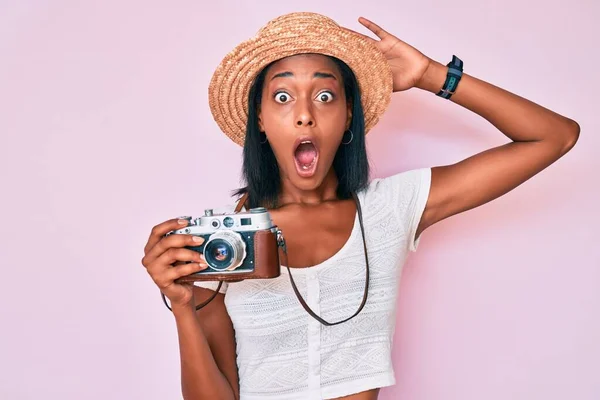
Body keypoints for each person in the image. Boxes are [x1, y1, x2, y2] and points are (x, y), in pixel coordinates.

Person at [140, 12, 579, 400]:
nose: (305, 114)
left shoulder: (391, 209)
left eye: (326, 96)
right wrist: (181, 306)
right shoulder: (223, 243)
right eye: (283, 96)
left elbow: (554, 136)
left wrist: (431, 75)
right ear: (259, 118)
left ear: (350, 113)